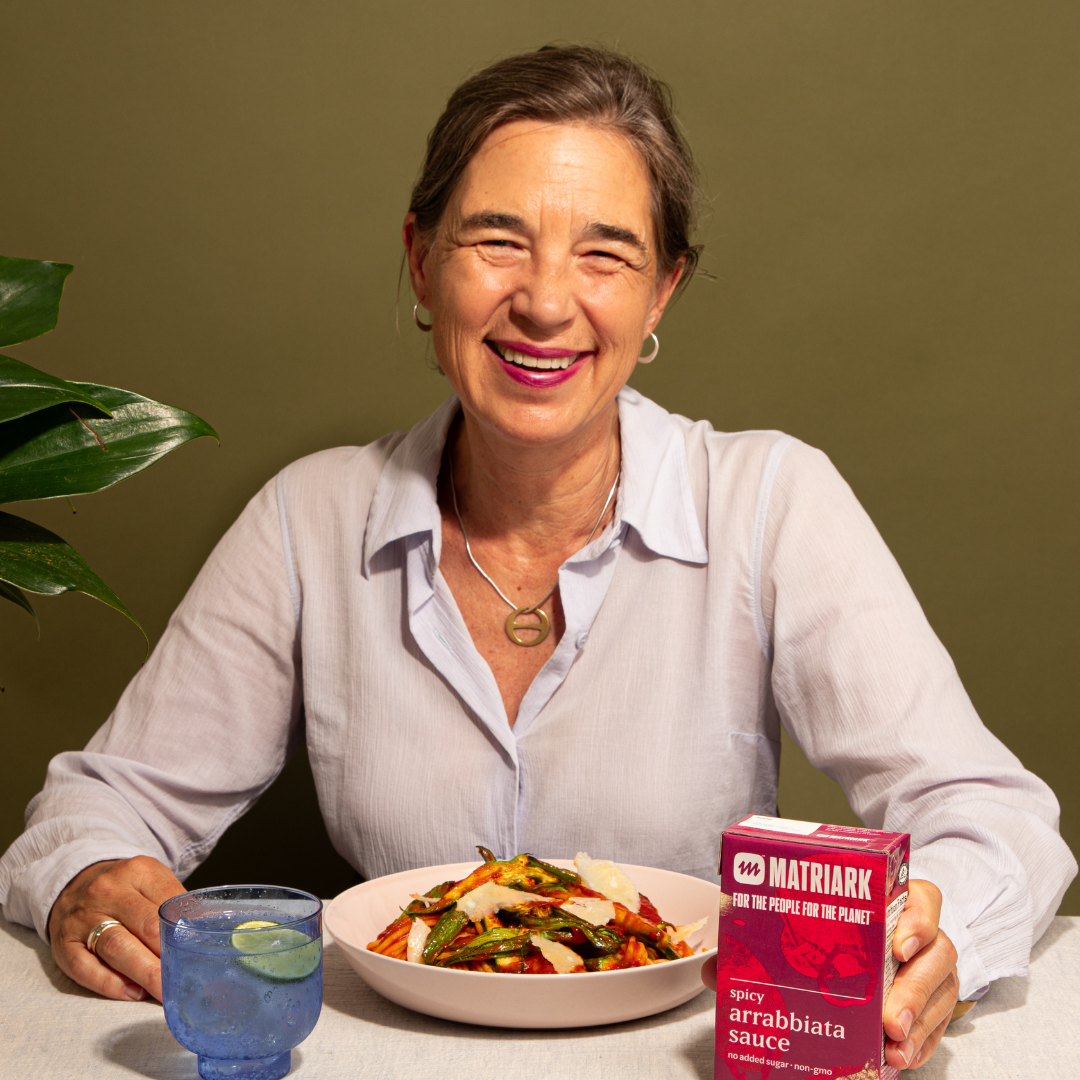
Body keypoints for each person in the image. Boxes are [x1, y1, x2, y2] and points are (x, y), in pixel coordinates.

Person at [0, 45, 1073, 1071]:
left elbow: (995, 816)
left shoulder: (769, 500)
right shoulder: (307, 518)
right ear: (422, 263)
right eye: (497, 239)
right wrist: (88, 878)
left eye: (605, 253)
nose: (548, 301)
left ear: (662, 294)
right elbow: (102, 805)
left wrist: (938, 939)